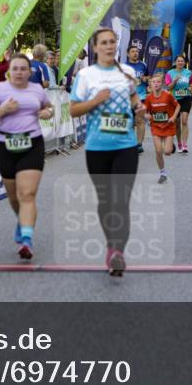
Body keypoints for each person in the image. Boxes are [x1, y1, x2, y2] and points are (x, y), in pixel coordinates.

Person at [69, 28, 143, 278]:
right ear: (96, 47)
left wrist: (139, 108)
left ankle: (118, 253)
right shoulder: (86, 75)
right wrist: (96, 101)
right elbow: (74, 110)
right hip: (97, 147)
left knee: (120, 201)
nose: (110, 46)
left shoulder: (127, 72)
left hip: (126, 146)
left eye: (113, 42)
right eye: (104, 43)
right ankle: (110, 244)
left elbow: (133, 98)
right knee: (105, 202)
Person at [0, 54, 55, 259]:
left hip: (32, 144)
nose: (19, 72)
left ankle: (27, 241)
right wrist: (3, 109)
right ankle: (22, 222)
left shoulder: (36, 89)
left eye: (23, 69)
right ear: (8, 72)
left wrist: (48, 112)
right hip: (5, 146)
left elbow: (49, 107)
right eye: (15, 69)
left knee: (27, 194)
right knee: (13, 197)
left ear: (30, 72)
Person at [143, 73, 179, 183]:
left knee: (167, 152)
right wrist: (146, 115)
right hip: (156, 127)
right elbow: (144, 111)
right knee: (158, 151)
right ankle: (162, 173)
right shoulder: (149, 98)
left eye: (158, 82)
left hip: (168, 126)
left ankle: (171, 146)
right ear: (150, 85)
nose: (156, 84)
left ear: (162, 83)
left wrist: (173, 117)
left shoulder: (167, 95)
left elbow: (178, 106)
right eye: (153, 82)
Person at [165, 55, 192, 153]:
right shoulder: (170, 73)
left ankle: (185, 145)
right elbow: (168, 88)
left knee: (184, 121)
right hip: (174, 100)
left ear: (184, 63)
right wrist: (175, 80)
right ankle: (179, 143)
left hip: (186, 98)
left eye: (182, 61)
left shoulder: (188, 72)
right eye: (178, 61)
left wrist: (190, 87)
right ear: (175, 62)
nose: (180, 62)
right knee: (177, 124)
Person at [125, 45, 149, 154]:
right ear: (128, 54)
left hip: (141, 97)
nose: (135, 53)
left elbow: (149, 78)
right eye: (133, 51)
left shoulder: (143, 65)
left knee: (140, 121)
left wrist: (146, 79)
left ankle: (139, 144)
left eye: (137, 51)